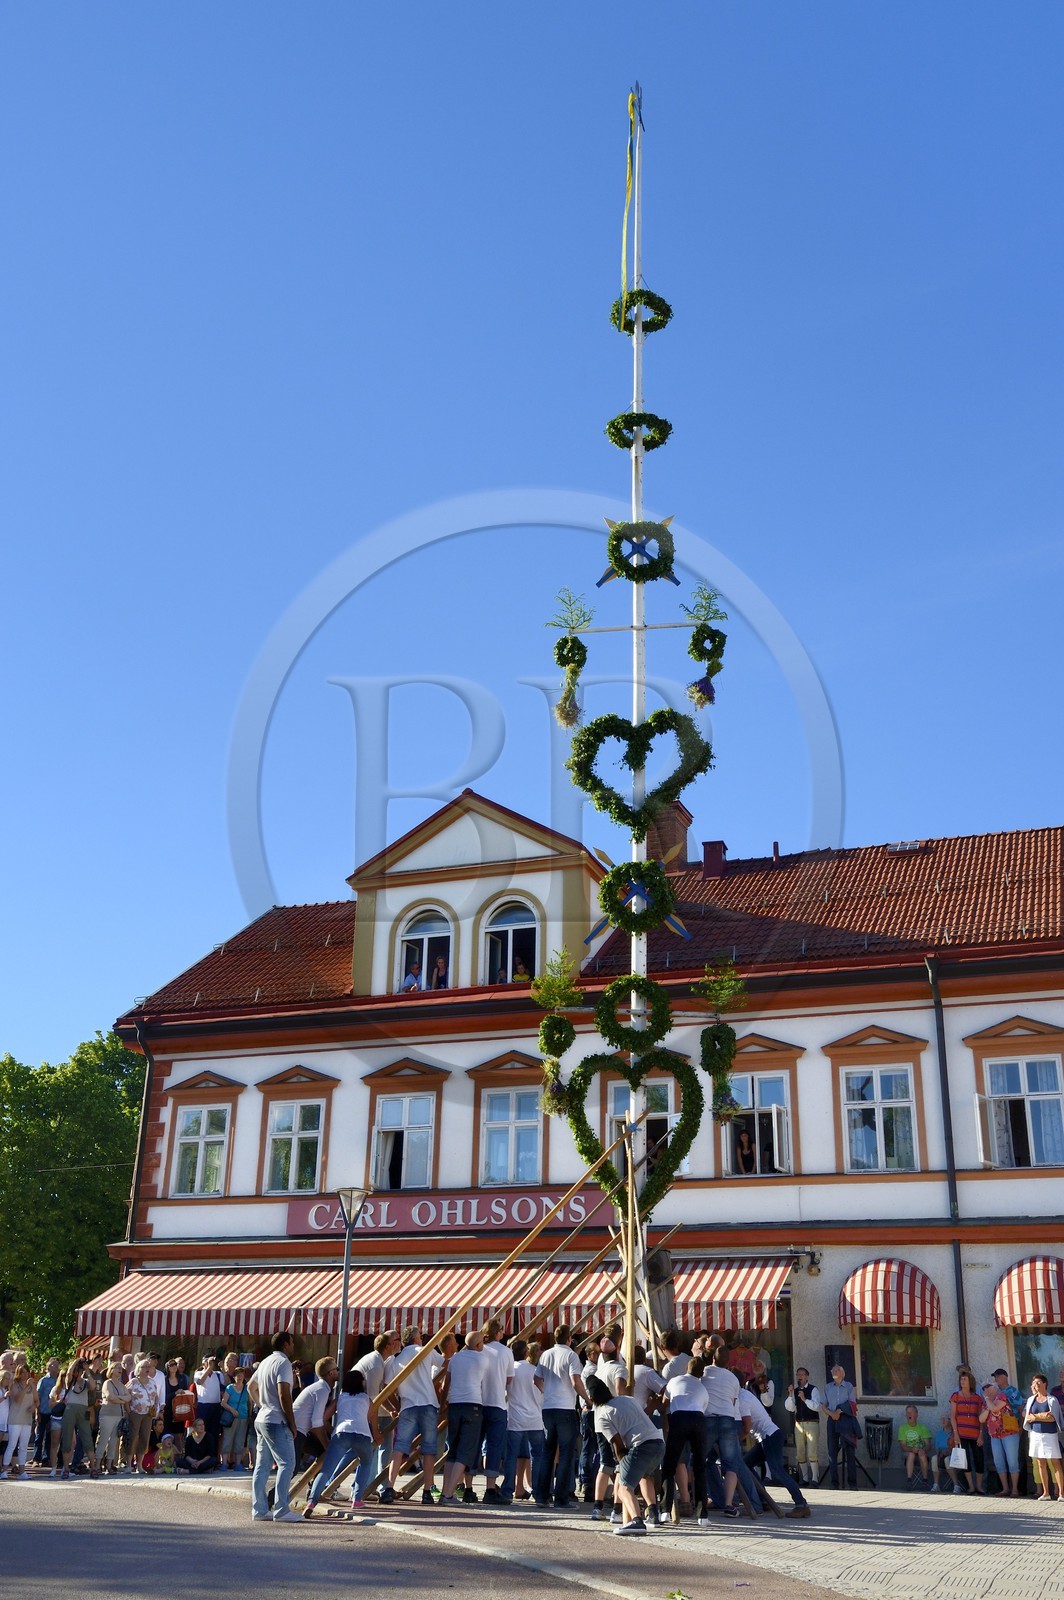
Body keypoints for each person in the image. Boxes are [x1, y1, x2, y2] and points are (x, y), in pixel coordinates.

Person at [586, 1374, 665, 1535]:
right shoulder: (628, 1399)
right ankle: (652, 1514)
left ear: (592, 1398)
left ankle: (637, 1521)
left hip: (640, 1446)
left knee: (623, 1489)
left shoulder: (602, 1414)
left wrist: (623, 1468)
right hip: (658, 1442)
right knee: (645, 1476)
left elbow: (618, 1446)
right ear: (608, 1390)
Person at [379, 1327, 442, 1508]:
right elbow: (443, 1363)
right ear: (417, 1338)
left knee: (399, 1448)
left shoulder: (395, 1360)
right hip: (428, 1403)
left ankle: (389, 1487)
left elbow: (387, 1385)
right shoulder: (426, 1350)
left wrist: (396, 1406)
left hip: (408, 1404)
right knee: (429, 1449)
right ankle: (427, 1490)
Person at [304, 1370, 379, 1519]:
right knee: (365, 1463)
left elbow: (324, 1418)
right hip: (363, 1435)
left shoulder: (340, 1398)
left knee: (326, 1469)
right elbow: (371, 1418)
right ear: (361, 1383)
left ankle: (311, 1502)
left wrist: (333, 1431)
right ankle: (357, 1499)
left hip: (342, 1433)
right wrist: (377, 1435)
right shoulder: (366, 1399)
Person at [249, 1329, 303, 1523]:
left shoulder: (265, 1362)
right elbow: (284, 1394)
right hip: (276, 1419)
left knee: (262, 1466)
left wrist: (260, 1404)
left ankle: (259, 1509)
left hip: (262, 1418)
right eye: (292, 1342)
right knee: (287, 1464)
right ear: (286, 1344)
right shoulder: (283, 1363)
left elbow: (250, 1386)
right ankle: (281, 1509)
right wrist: (292, 1421)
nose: (294, 1346)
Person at [534, 1325, 588, 1508]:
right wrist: (587, 1399)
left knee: (548, 1452)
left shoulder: (545, 1354)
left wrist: (546, 1392)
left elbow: (536, 1379)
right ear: (568, 1338)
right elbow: (575, 1381)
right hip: (565, 1408)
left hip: (548, 1407)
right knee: (566, 1453)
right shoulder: (571, 1355)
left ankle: (541, 1496)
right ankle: (561, 1497)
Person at [738, 1382, 810, 1518]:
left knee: (777, 1471)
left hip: (769, 1436)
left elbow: (746, 1428)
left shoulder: (742, 1399)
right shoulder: (744, 1395)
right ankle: (763, 1500)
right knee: (745, 1464)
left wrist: (735, 1440)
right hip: (766, 1437)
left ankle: (801, 1504)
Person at [440, 1329, 489, 1505]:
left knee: (452, 1449)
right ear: (478, 1345)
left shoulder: (455, 1358)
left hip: (454, 1405)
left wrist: (443, 1402)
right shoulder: (482, 1359)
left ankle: (447, 1492)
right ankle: (447, 1494)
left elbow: (447, 1383)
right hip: (473, 1405)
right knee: (465, 1451)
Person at [660, 1355, 710, 1523]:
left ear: (687, 1368)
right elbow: (703, 1408)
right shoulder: (702, 1388)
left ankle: (665, 1510)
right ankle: (702, 1515)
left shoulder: (674, 1380)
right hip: (698, 1419)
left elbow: (664, 1401)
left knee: (669, 1465)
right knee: (699, 1468)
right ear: (701, 1373)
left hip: (679, 1419)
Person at [702, 1345, 751, 1516]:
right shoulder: (733, 1379)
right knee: (731, 1464)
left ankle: (699, 1500)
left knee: (699, 1460)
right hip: (728, 1419)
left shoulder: (705, 1372)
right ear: (728, 1362)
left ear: (713, 1358)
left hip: (708, 1419)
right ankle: (729, 1504)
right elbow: (733, 1401)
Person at [353, 1329, 401, 1501]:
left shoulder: (380, 1361)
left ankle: (370, 1485)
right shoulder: (376, 1364)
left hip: (372, 1411)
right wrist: (388, 1412)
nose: (400, 1342)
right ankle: (364, 1486)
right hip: (366, 1412)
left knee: (380, 1450)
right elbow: (374, 1397)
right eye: (397, 1339)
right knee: (373, 1450)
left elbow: (380, 1393)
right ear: (389, 1345)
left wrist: (390, 1409)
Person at [501, 1339, 544, 1503]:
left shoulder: (510, 1371)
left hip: (515, 1418)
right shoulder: (535, 1370)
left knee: (511, 1456)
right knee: (537, 1456)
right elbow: (542, 1392)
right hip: (535, 1418)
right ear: (526, 1352)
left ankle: (507, 1491)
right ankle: (538, 1491)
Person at [479, 1319, 515, 1505]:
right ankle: (490, 1487)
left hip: (479, 1401)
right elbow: (509, 1380)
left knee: (475, 1445)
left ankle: (467, 1487)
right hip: (498, 1402)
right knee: (494, 1447)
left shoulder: (479, 1350)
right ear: (498, 1332)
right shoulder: (506, 1351)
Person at [292, 1355, 338, 1470]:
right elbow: (317, 1422)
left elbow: (321, 1421)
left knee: (321, 1451)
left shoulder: (321, 1388)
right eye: (336, 1369)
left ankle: (315, 1485)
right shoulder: (322, 1389)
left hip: (300, 1430)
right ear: (330, 1373)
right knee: (292, 1469)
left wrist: (333, 1433)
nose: (339, 1372)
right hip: (296, 1431)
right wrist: (327, 1444)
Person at [1023, 1374, 1064, 1501]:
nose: (1036, 1384)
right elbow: (1027, 1416)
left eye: (1038, 1382)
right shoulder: (1031, 1400)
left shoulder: (1052, 1400)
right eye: (1034, 1382)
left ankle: (1061, 1494)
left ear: (1045, 1384)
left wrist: (1035, 1416)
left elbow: (1052, 1417)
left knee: (1055, 1462)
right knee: (1040, 1463)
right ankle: (1046, 1493)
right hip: (1035, 1434)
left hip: (1050, 1435)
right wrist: (1041, 1416)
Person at [980, 1381, 1020, 1497]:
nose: (986, 1389)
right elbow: (981, 1419)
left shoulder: (1001, 1396)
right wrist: (987, 1405)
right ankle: (1005, 1488)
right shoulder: (986, 1403)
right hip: (995, 1436)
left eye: (988, 1386)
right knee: (999, 1462)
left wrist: (987, 1400)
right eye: (984, 1388)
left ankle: (1015, 1489)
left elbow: (996, 1408)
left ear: (995, 1387)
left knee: (1012, 1462)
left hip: (1009, 1433)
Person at [59, 1358, 98, 1479]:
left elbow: (93, 1386)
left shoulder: (85, 1381)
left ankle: (93, 1468)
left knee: (87, 1439)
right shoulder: (69, 1381)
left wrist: (87, 1369)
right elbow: (69, 1373)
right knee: (67, 1439)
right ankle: (66, 1468)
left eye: (79, 1370)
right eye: (78, 1370)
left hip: (83, 1410)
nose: (78, 1371)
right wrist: (75, 1362)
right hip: (70, 1409)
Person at [822, 1364, 859, 1490]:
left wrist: (838, 1412)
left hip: (846, 1420)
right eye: (833, 1370)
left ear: (843, 1374)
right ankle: (834, 1483)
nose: (834, 1371)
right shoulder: (828, 1387)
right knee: (832, 1452)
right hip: (832, 1420)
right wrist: (831, 1413)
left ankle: (852, 1483)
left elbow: (852, 1403)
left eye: (837, 1370)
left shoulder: (848, 1386)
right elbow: (823, 1405)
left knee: (849, 1451)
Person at [950, 1369, 985, 1494]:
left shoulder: (977, 1398)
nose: (963, 1381)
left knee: (979, 1459)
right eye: (961, 1379)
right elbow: (953, 1416)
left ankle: (979, 1486)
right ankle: (971, 1486)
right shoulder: (955, 1396)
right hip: (961, 1433)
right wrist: (955, 1434)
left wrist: (981, 1434)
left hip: (975, 1434)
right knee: (965, 1461)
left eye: (965, 1379)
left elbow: (981, 1418)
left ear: (970, 1382)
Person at [784, 1368, 821, 1486]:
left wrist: (805, 1399)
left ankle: (815, 1478)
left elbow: (817, 1406)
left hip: (811, 1423)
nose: (799, 1377)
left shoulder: (813, 1389)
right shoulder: (795, 1391)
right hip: (799, 1424)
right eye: (798, 1374)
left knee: (812, 1452)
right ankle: (804, 1479)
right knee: (800, 1452)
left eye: (802, 1374)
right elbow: (790, 1408)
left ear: (807, 1377)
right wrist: (790, 1394)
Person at [1, 1359, 37, 1479]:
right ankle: (4, 1470)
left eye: (26, 1372)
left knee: (24, 1446)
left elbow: (37, 1400)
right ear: (18, 1373)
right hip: (15, 1419)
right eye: (22, 1372)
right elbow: (17, 1399)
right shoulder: (14, 1385)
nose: (25, 1375)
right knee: (12, 1445)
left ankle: (22, 1471)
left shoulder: (31, 1386)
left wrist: (34, 1406)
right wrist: (27, 1386)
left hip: (26, 1420)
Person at [95, 1361, 131, 1474]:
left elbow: (129, 1397)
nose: (120, 1370)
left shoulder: (122, 1385)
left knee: (113, 1441)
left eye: (121, 1368)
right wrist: (122, 1399)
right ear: (111, 1370)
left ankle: (109, 1466)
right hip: (107, 1414)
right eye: (117, 1367)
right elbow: (110, 1397)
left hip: (119, 1416)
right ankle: (96, 1465)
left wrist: (119, 1398)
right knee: (104, 1439)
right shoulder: (107, 1383)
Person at [124, 1358, 156, 1473]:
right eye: (145, 1367)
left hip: (148, 1414)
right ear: (139, 1369)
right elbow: (125, 1395)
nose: (147, 1368)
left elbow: (155, 1396)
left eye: (149, 1367)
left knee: (144, 1438)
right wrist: (128, 1410)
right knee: (133, 1437)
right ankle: (128, 1464)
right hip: (135, 1413)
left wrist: (156, 1407)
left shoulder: (152, 1381)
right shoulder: (133, 1382)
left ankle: (139, 1465)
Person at [221, 1365, 252, 1471]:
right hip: (231, 1417)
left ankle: (238, 1464)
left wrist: (250, 1415)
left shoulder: (247, 1388)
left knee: (240, 1440)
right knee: (228, 1439)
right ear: (234, 1377)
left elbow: (249, 1403)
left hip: (243, 1417)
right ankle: (224, 1463)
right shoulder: (230, 1388)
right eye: (238, 1375)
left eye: (241, 1375)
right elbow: (223, 1403)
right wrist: (232, 1410)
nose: (240, 1377)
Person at [194, 1354, 225, 1448]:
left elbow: (226, 1383)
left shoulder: (218, 1374)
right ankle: (200, 1453)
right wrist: (209, 1368)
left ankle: (212, 1455)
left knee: (214, 1432)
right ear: (203, 1363)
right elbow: (199, 1382)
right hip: (203, 1406)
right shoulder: (198, 1373)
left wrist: (223, 1368)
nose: (210, 1364)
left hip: (215, 1406)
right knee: (201, 1430)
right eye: (207, 1362)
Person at [897, 1405, 932, 1490]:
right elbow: (903, 1446)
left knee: (922, 1455)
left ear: (916, 1414)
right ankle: (909, 1481)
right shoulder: (903, 1428)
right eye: (907, 1412)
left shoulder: (922, 1427)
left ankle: (925, 1481)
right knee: (911, 1454)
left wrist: (923, 1450)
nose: (909, 1414)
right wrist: (912, 1449)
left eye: (911, 1412)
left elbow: (928, 1445)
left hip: (920, 1451)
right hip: (908, 1452)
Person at [34, 1358, 59, 1465]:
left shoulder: (59, 1380)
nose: (56, 1367)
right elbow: (37, 1397)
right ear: (48, 1367)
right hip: (43, 1411)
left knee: (50, 1437)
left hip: (53, 1412)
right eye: (53, 1365)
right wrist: (37, 1412)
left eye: (57, 1365)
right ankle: (36, 1458)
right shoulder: (43, 1380)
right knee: (39, 1436)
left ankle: (46, 1458)